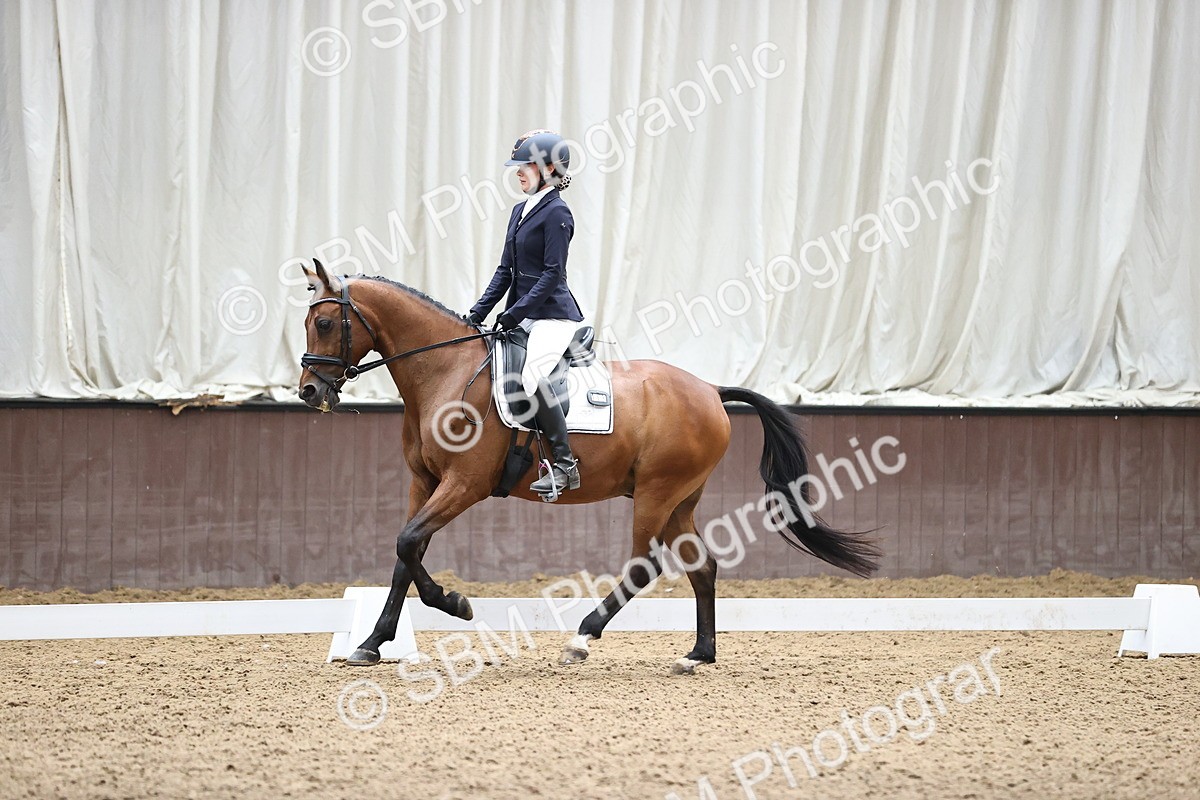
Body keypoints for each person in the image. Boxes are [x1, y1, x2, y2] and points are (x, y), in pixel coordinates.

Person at [467, 129, 585, 498]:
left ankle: (565, 467)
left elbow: (552, 275)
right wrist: (477, 313)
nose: (518, 172)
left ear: (549, 169)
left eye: (526, 166)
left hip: (553, 316)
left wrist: (514, 315)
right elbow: (506, 271)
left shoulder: (558, 213)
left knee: (533, 376)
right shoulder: (521, 210)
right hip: (524, 313)